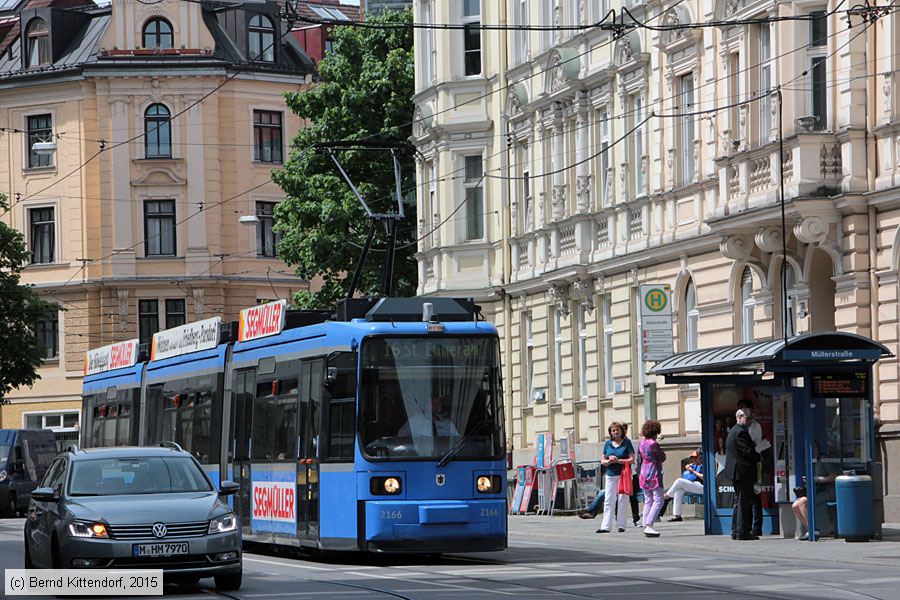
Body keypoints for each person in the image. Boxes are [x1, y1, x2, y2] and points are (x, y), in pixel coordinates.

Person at [724, 408, 761, 540]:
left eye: (751, 418)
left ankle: (736, 530)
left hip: (737, 472)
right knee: (743, 502)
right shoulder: (740, 432)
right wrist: (759, 456)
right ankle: (742, 532)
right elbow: (747, 451)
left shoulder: (735, 431)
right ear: (739, 417)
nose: (750, 421)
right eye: (748, 418)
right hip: (742, 472)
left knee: (738, 501)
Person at [792, 442, 840, 540]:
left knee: (803, 502)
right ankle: (810, 529)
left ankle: (813, 530)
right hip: (818, 491)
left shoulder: (824, 460)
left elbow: (834, 477)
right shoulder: (813, 462)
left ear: (818, 449)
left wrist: (817, 479)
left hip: (830, 491)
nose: (812, 452)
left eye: (813, 449)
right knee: (795, 505)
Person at [738, 399, 771, 536]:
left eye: (744, 410)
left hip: (755, 462)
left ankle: (757, 527)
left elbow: (753, 443)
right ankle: (748, 526)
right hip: (746, 464)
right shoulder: (740, 427)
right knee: (748, 496)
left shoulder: (755, 426)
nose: (743, 414)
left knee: (755, 495)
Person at [596, 421, 635, 534]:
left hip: (623, 475)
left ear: (621, 431)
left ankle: (621, 525)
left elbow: (632, 459)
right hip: (611, 474)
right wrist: (609, 461)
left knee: (622, 499)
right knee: (609, 499)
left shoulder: (627, 443)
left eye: (617, 430)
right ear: (611, 432)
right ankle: (605, 526)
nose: (615, 432)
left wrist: (619, 460)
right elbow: (602, 461)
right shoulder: (608, 444)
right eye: (613, 430)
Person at [638, 419, 666, 537]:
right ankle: (650, 524)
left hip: (644, 473)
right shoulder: (653, 444)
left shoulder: (642, 442)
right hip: (654, 473)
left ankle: (645, 523)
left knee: (648, 499)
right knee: (659, 499)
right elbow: (662, 457)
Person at [661, 450, 703, 521]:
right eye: (692, 458)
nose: (693, 460)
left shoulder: (704, 465)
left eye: (696, 458)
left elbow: (703, 477)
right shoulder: (694, 465)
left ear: (700, 458)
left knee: (679, 481)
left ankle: (667, 496)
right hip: (695, 485)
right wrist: (689, 469)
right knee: (679, 490)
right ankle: (677, 516)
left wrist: (692, 471)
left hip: (703, 486)